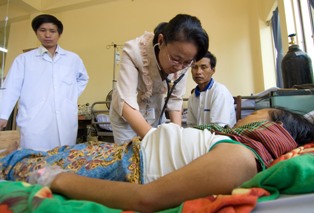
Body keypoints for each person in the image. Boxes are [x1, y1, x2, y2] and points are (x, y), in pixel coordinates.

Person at [1, 108, 314, 212]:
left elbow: (147, 198)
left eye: (256, 114)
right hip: (125, 153)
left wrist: (55, 179)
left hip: (126, 166)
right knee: (30, 155)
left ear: (275, 127)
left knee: (19, 162)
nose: (245, 117)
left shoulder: (242, 158)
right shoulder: (235, 145)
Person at [109, 14, 209, 144]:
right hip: (127, 119)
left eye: (187, 62)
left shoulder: (184, 61)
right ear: (161, 41)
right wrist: (154, 141)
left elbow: (175, 100)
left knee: (160, 155)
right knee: (132, 158)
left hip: (155, 113)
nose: (179, 67)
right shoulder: (134, 52)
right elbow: (126, 102)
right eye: (175, 59)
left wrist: (177, 137)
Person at [0, 14, 89, 151]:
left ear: (59, 34)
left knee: (62, 157)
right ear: (36, 33)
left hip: (65, 117)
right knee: (35, 159)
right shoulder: (24, 60)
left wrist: (68, 97)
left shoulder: (72, 59)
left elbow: (83, 78)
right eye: (42, 30)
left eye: (52, 31)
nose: (47, 35)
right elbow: (11, 87)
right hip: (34, 118)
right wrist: (3, 115)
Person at [187, 51, 236, 127]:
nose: (198, 72)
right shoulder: (192, 97)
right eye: (194, 67)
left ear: (213, 70)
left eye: (203, 67)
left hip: (221, 137)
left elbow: (219, 128)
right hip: (201, 137)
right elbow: (191, 126)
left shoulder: (219, 91)